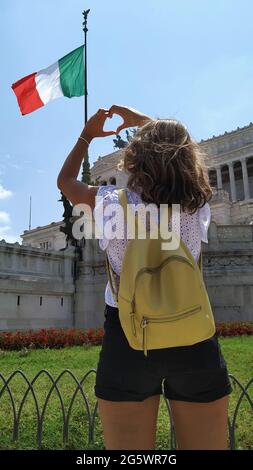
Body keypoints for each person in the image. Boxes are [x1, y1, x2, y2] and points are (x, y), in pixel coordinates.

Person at [57, 105, 231, 450]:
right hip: (193, 335)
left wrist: (86, 136)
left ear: (134, 159)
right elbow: (178, 144)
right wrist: (145, 122)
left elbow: (65, 182)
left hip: (128, 338)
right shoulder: (197, 205)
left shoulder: (108, 204)